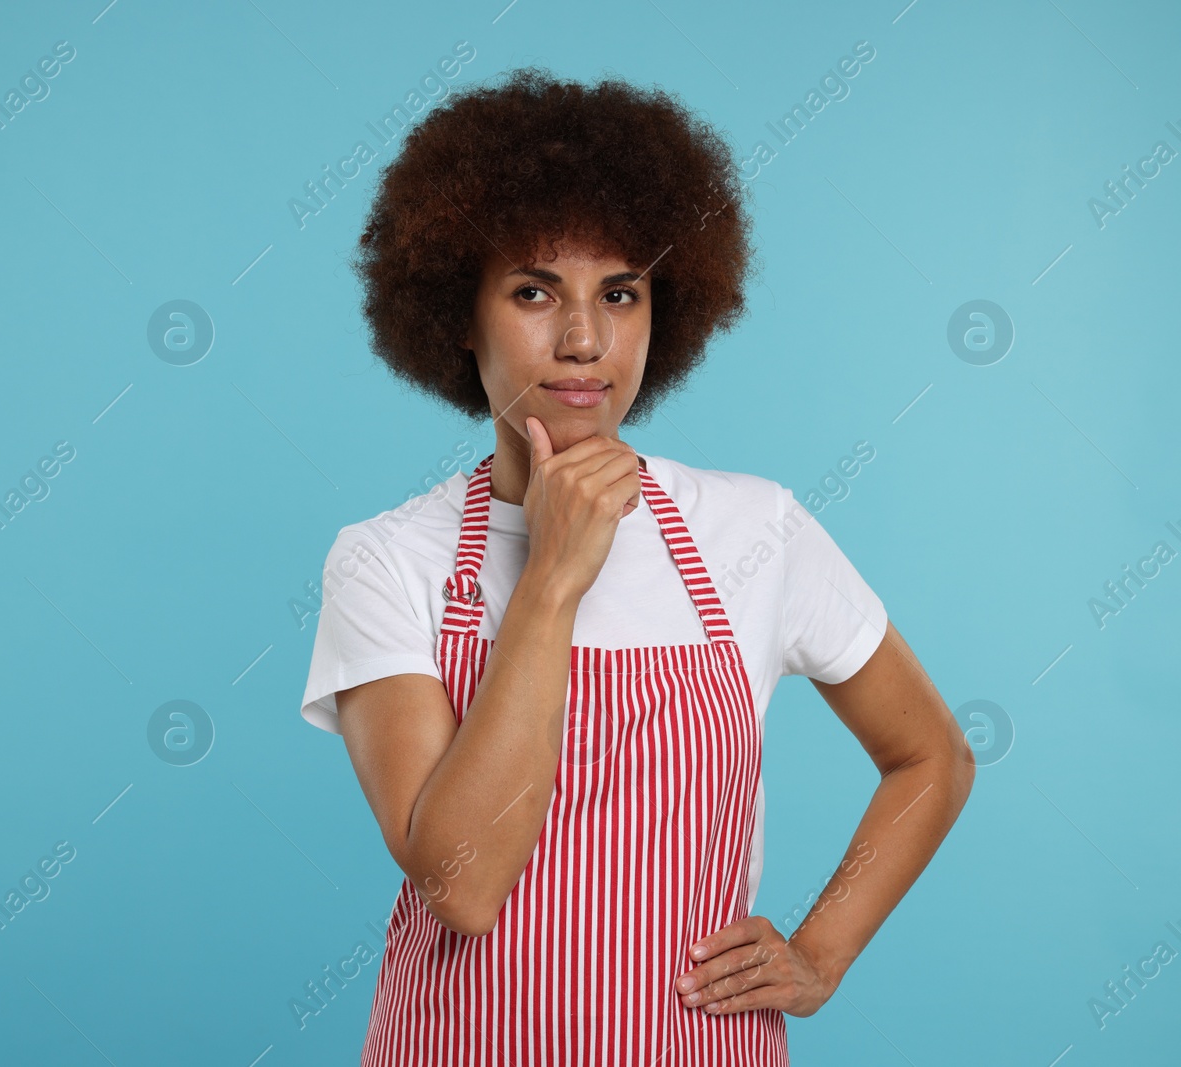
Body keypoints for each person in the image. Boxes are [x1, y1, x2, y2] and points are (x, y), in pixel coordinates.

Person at [299, 67, 973, 1066]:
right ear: (457, 313)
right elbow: (464, 881)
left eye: (619, 292)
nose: (581, 340)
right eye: (534, 292)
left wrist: (820, 950)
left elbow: (932, 757)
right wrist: (553, 577)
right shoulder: (386, 561)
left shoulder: (756, 528)